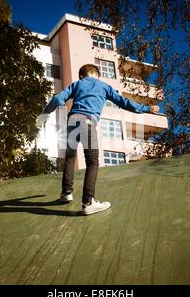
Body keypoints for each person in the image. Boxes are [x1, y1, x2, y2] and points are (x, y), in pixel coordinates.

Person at [38, 64, 159, 215]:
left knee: (70, 158)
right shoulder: (104, 86)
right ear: (97, 75)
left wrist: (44, 114)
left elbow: (57, 99)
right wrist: (146, 109)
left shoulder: (77, 84)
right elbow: (123, 102)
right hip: (87, 122)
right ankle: (88, 202)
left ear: (82, 76)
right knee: (92, 161)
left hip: (71, 124)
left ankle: (66, 192)